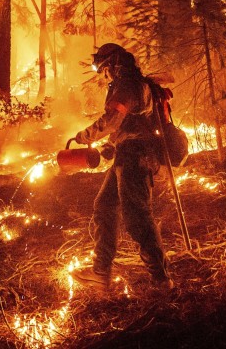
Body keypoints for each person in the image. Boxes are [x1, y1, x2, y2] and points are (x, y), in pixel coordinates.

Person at [69, 43, 173, 292]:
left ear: (113, 65)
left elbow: (113, 119)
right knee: (105, 207)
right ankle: (100, 272)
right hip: (125, 155)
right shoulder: (130, 83)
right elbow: (128, 125)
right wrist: (110, 146)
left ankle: (160, 279)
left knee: (137, 216)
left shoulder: (127, 85)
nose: (105, 75)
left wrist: (87, 135)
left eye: (105, 69)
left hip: (136, 158)